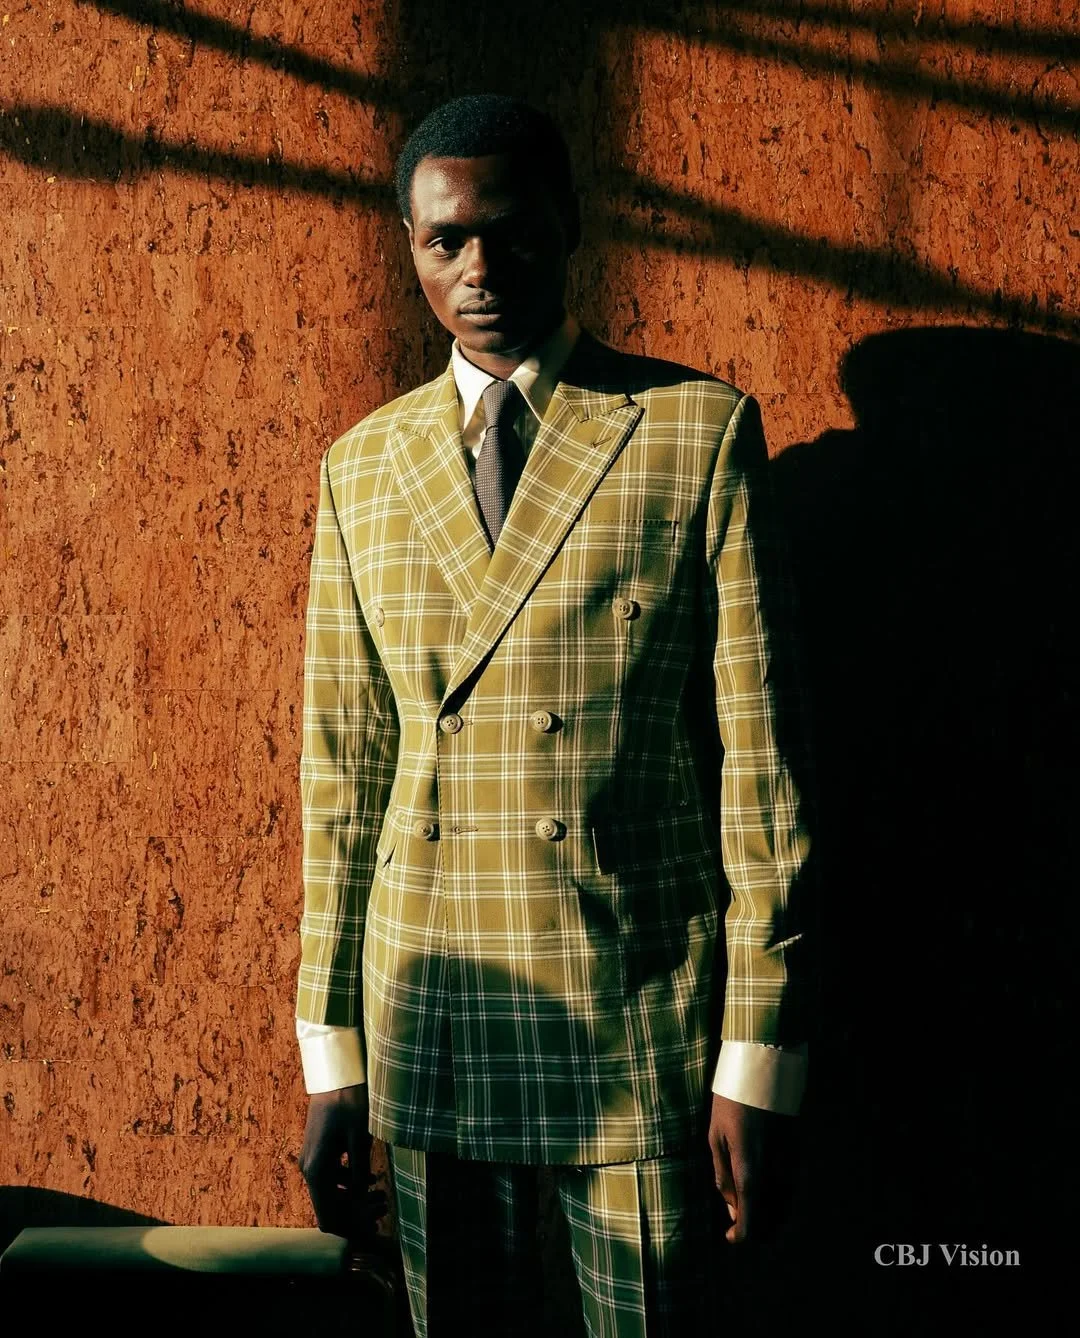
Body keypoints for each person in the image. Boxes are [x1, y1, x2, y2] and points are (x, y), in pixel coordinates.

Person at [296, 94, 812, 1338]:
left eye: (509, 233)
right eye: (443, 243)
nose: (478, 272)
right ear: (410, 246)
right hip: (431, 1020)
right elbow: (342, 775)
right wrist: (333, 1056)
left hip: (635, 1023)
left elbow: (762, 773)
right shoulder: (362, 466)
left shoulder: (692, 431)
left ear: (569, 226)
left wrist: (758, 1059)